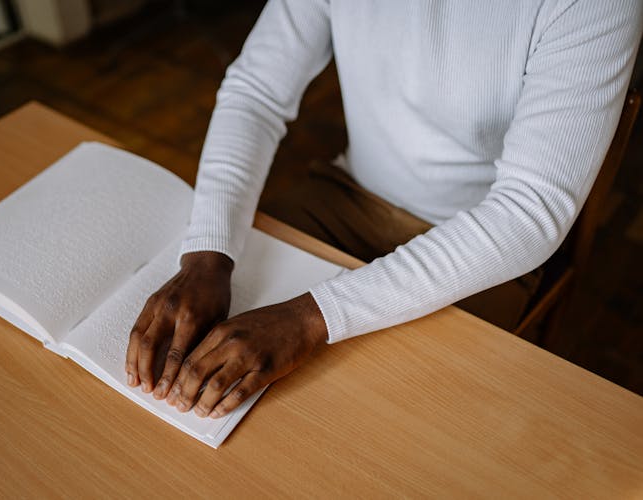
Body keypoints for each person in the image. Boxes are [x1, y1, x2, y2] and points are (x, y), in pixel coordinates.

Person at [125, 0, 643, 419]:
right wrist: (208, 253)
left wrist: (309, 319)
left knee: (371, 425)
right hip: (343, 196)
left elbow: (529, 211)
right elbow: (257, 92)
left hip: (482, 249)